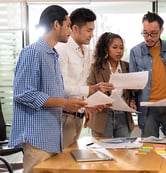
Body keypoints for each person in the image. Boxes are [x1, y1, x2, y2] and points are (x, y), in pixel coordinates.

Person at [8, 5, 87, 173]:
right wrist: (64, 103)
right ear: (56, 25)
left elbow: (56, 92)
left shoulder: (52, 55)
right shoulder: (32, 52)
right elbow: (24, 93)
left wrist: (79, 103)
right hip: (37, 137)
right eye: (67, 26)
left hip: (52, 136)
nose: (70, 31)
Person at [55, 8, 113, 148]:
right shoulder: (62, 50)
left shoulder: (86, 52)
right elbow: (61, 87)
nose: (92, 35)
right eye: (89, 30)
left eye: (93, 30)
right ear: (75, 28)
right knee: (63, 162)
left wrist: (87, 105)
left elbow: (81, 83)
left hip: (78, 116)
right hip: (64, 115)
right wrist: (91, 89)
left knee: (72, 161)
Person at [129, 11, 166, 138]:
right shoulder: (135, 52)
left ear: (161, 30)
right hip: (147, 108)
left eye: (153, 34)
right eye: (145, 33)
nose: (148, 37)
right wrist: (132, 97)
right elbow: (132, 83)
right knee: (149, 149)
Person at [86, 32, 136, 137]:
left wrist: (132, 101)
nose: (119, 51)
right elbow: (88, 90)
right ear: (106, 49)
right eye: (115, 47)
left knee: (123, 151)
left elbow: (132, 91)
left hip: (123, 116)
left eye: (121, 48)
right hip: (103, 116)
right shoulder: (96, 68)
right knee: (104, 151)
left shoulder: (127, 67)